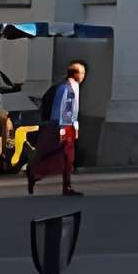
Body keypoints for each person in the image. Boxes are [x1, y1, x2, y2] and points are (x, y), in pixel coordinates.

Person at [27, 61, 87, 197]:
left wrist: (75, 126)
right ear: (76, 74)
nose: (84, 76)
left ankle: (65, 185)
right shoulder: (66, 87)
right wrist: (62, 127)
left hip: (69, 126)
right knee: (61, 155)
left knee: (67, 157)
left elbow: (73, 109)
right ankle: (34, 173)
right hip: (63, 126)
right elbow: (60, 108)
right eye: (82, 73)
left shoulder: (73, 86)